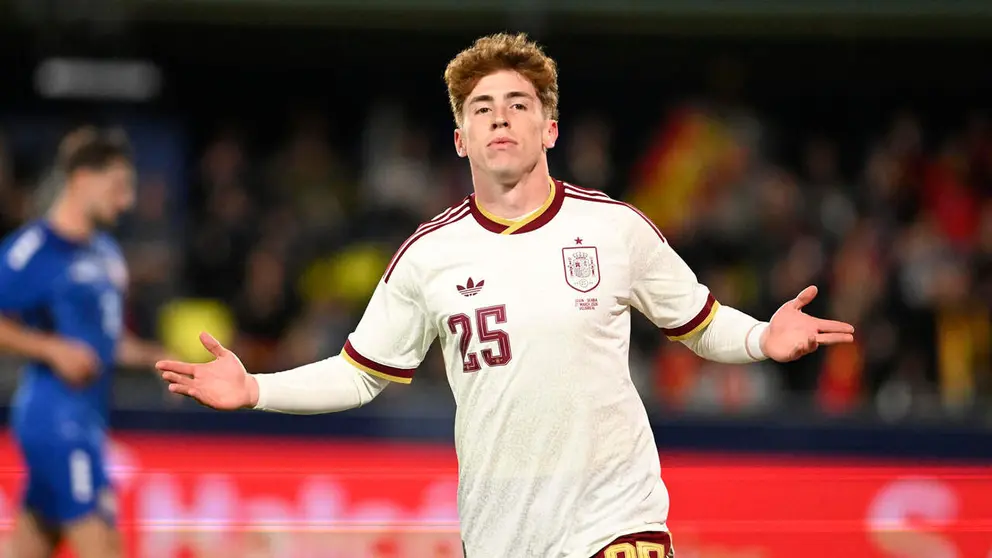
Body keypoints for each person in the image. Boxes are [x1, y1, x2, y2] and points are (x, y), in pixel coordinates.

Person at [158, 33, 855, 558]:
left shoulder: (614, 229)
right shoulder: (429, 256)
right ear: (460, 139)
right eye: (482, 109)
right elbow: (358, 373)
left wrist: (763, 337)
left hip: (618, 521)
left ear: (548, 128)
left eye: (518, 105)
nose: (500, 119)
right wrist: (257, 390)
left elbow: (699, 322)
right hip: (503, 534)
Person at [0, 127, 168, 558]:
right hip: (55, 421)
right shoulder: (32, 250)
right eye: (117, 188)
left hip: (89, 420)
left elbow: (107, 341)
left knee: (31, 545)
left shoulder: (106, 255)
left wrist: (156, 357)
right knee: (105, 547)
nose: (125, 201)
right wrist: (51, 349)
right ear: (80, 179)